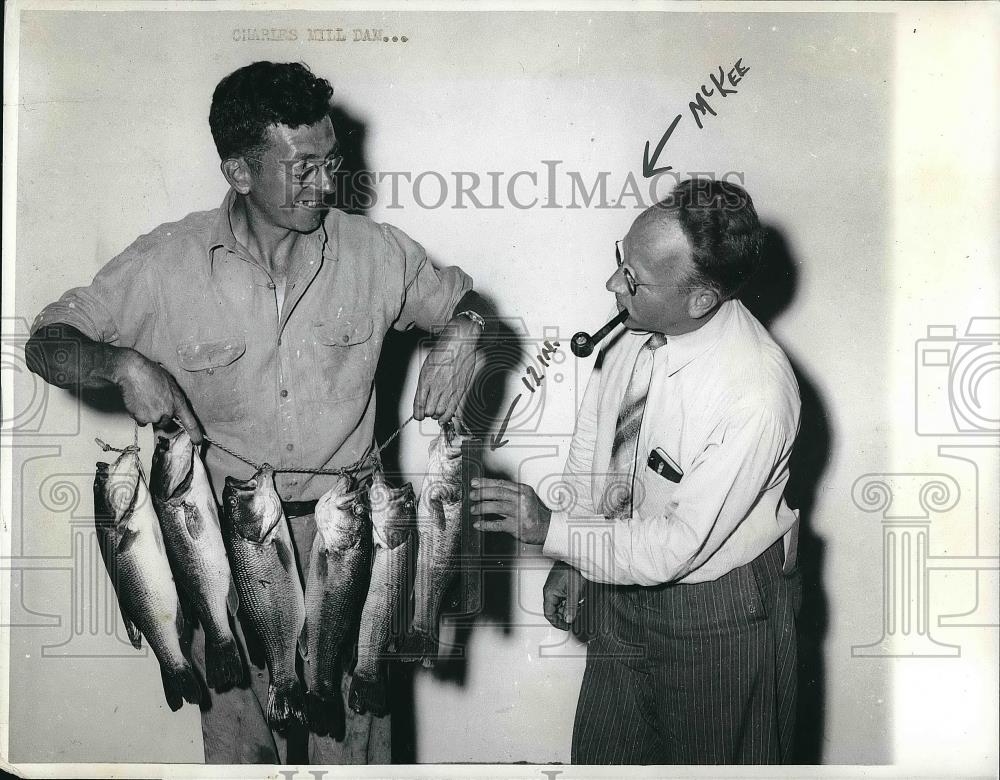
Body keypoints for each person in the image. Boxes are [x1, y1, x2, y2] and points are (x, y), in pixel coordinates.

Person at [26, 60, 490, 765]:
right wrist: (120, 364)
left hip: (353, 544)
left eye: (330, 162)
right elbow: (47, 343)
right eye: (302, 168)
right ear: (239, 172)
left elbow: (463, 304)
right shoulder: (164, 263)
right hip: (224, 545)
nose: (326, 184)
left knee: (355, 753)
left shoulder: (376, 253)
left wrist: (463, 334)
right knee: (244, 756)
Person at [471, 179, 802, 764]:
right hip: (621, 586)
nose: (612, 285)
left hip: (714, 611)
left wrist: (550, 529)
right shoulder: (636, 330)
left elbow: (675, 548)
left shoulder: (756, 394)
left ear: (701, 298)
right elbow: (593, 447)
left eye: (634, 279)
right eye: (619, 261)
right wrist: (573, 560)